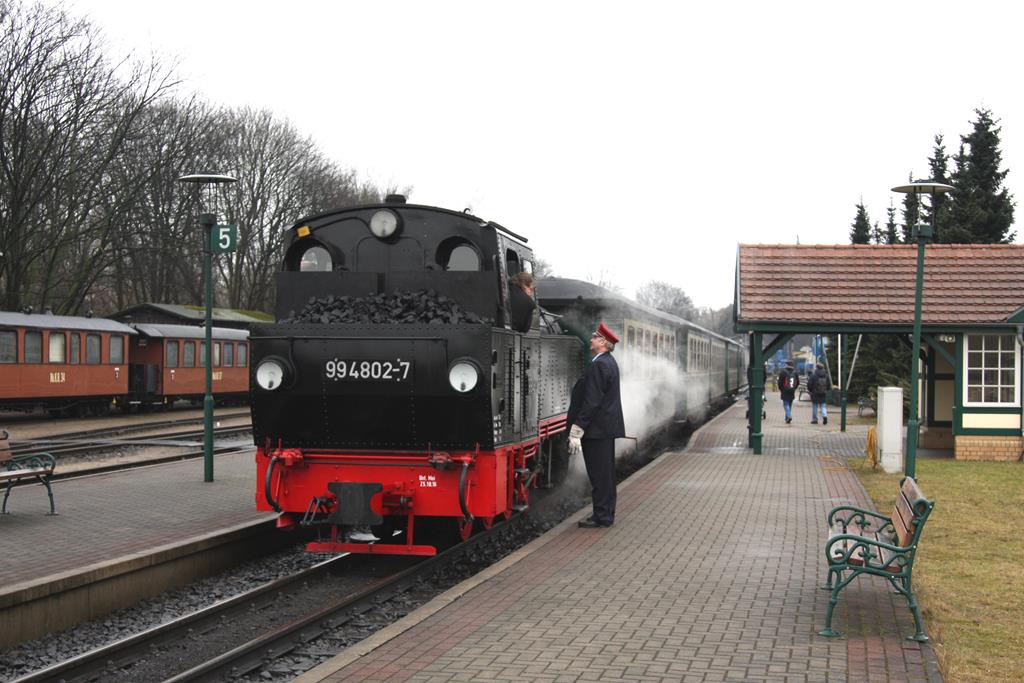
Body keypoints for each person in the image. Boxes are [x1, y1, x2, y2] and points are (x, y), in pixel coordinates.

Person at [567, 322, 625, 528]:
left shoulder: (599, 365)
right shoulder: (608, 362)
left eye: (594, 337)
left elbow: (592, 401)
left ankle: (602, 516)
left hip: (597, 430)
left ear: (602, 342)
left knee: (599, 475)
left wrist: (577, 428)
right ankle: (605, 513)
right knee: (605, 474)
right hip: (603, 429)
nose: (590, 340)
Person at [777, 360, 799, 424]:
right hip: (792, 391)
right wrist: (794, 388)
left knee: (786, 404)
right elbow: (798, 382)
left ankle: (789, 416)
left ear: (787, 365)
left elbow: (780, 383)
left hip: (784, 391)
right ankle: (787, 418)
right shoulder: (795, 372)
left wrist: (781, 389)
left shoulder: (783, 372)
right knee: (789, 405)